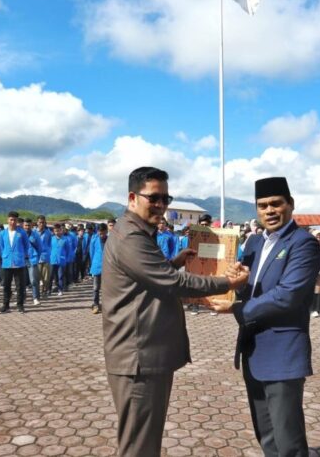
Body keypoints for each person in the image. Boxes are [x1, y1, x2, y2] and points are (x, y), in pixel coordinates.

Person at [102, 167, 246, 457]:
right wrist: (227, 283)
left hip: (144, 353)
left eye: (166, 198)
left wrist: (175, 261)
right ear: (133, 197)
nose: (161, 205)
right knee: (139, 445)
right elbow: (173, 284)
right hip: (138, 357)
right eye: (154, 197)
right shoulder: (132, 236)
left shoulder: (138, 233)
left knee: (144, 439)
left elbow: (148, 278)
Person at [210, 176, 319, 457]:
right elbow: (250, 286)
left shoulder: (303, 243)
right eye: (262, 206)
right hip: (253, 349)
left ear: (290, 205)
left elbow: (288, 295)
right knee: (266, 434)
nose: (269, 211)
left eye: (275, 204)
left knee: (288, 438)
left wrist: (236, 309)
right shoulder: (255, 242)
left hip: (283, 352)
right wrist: (236, 283)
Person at [0, 211, 31, 314]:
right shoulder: (2, 233)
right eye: (11, 219)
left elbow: (27, 246)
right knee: (6, 285)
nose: (13, 222)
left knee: (20, 285)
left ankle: (20, 305)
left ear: (17, 221)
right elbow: (0, 246)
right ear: (7, 220)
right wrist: (4, 255)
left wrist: (23, 255)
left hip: (19, 262)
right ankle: (6, 305)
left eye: (15, 220)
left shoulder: (21, 232)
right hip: (7, 262)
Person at [89, 223, 108, 313]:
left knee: (107, 288)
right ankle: (95, 304)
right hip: (97, 266)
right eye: (100, 233)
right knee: (96, 288)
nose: (102, 235)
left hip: (108, 267)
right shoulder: (94, 240)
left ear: (106, 231)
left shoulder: (110, 240)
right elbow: (91, 253)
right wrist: (95, 263)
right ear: (98, 232)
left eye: (103, 233)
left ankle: (106, 305)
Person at [35, 216, 52, 298]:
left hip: (45, 257)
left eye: (43, 222)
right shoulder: (34, 232)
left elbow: (50, 244)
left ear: (45, 223)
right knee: (37, 277)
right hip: (36, 258)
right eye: (40, 222)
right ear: (37, 223)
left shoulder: (48, 233)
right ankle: (37, 293)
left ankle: (44, 292)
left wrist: (48, 252)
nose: (42, 224)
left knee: (46, 277)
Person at [50, 223, 69, 296]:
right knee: (53, 276)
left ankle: (60, 290)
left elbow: (68, 250)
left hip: (61, 260)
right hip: (53, 260)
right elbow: (50, 249)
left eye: (58, 231)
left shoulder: (65, 239)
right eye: (55, 231)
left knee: (60, 276)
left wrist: (65, 258)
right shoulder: (52, 239)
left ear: (61, 230)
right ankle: (51, 289)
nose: (57, 232)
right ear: (53, 231)